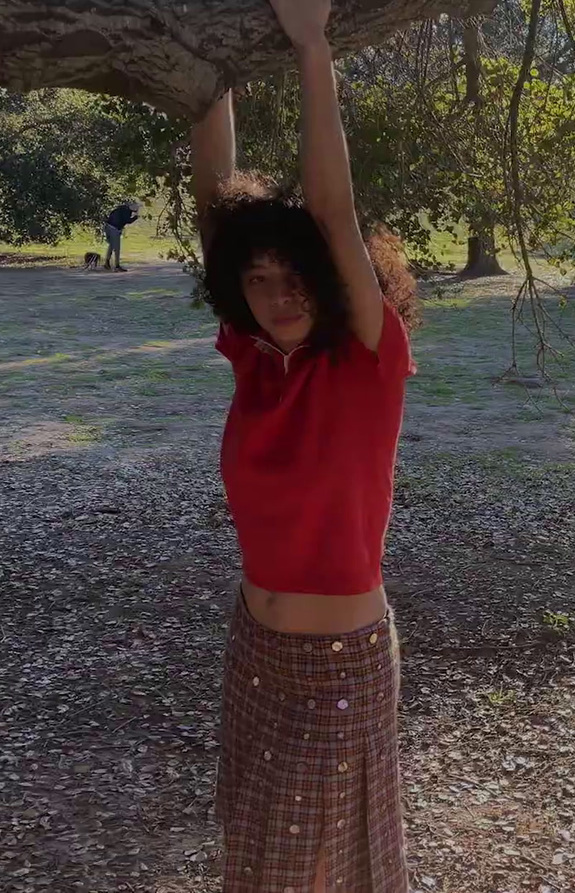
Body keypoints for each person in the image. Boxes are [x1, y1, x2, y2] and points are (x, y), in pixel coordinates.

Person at [189, 1, 420, 890]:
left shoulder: (364, 360)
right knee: (255, 858)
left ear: (328, 281)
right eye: (257, 281)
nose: (276, 296)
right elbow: (216, 202)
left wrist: (311, 43)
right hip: (253, 649)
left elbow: (331, 205)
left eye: (294, 280)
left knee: (315, 868)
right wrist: (205, 60)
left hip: (339, 662)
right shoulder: (254, 360)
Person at [103, 200, 139, 271]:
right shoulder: (126, 211)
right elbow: (127, 220)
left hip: (108, 226)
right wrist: (136, 217)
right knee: (117, 248)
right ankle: (117, 266)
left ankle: (107, 262)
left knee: (112, 245)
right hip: (114, 228)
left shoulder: (121, 209)